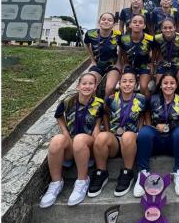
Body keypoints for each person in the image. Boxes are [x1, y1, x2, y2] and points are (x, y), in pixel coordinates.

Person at [39, 72, 104, 208]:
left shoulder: (99, 104)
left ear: (95, 87)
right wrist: (64, 131)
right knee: (57, 140)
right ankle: (56, 182)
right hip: (71, 143)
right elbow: (58, 116)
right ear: (78, 86)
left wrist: (97, 139)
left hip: (88, 144)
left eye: (91, 83)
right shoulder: (67, 101)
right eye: (84, 83)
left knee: (80, 139)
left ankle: (82, 181)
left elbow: (98, 124)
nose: (87, 86)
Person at [88, 71, 148, 197]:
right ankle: (101, 173)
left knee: (127, 136)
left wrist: (140, 129)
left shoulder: (141, 99)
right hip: (115, 139)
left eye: (131, 81)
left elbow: (144, 115)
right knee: (102, 137)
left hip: (132, 138)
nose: (127, 84)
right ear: (119, 84)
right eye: (124, 81)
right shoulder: (111, 99)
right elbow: (104, 113)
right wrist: (108, 130)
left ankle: (127, 172)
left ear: (136, 84)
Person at [133, 73, 179, 197]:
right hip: (156, 141)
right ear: (160, 85)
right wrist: (151, 126)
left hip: (172, 142)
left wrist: (169, 126)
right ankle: (143, 172)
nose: (168, 86)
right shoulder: (153, 99)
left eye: (172, 83)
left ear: (176, 85)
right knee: (144, 132)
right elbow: (146, 113)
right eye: (165, 83)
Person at [83, 13, 122, 98]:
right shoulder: (90, 33)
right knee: (90, 85)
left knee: (110, 87)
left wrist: (119, 62)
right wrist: (92, 60)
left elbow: (122, 48)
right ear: (99, 22)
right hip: (97, 65)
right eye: (103, 19)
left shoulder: (118, 35)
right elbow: (86, 44)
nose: (106, 21)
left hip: (112, 65)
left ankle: (105, 107)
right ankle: (94, 106)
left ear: (114, 24)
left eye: (109, 20)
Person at [117, 14, 154, 99]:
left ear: (144, 26)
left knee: (143, 87)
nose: (137, 24)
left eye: (140, 22)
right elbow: (121, 50)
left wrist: (152, 63)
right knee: (125, 85)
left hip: (144, 65)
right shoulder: (123, 39)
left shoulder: (150, 39)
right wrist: (124, 62)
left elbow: (156, 51)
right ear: (130, 25)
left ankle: (147, 108)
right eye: (134, 22)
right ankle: (127, 105)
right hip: (130, 65)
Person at [151, 17, 179, 94]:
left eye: (170, 27)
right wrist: (153, 64)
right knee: (158, 85)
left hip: (177, 62)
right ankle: (160, 103)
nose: (168, 30)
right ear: (161, 29)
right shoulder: (157, 38)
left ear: (175, 28)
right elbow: (155, 51)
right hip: (163, 62)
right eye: (165, 28)